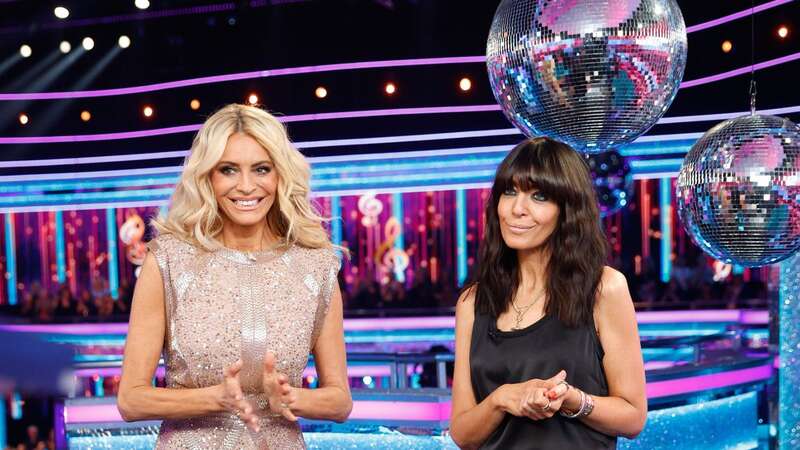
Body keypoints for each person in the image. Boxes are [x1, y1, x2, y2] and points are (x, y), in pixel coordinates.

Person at [117, 104, 352, 449]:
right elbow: (131, 400)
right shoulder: (168, 261)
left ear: (280, 176)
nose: (246, 186)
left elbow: (340, 401)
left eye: (261, 169)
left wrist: (289, 398)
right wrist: (214, 398)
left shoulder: (316, 266)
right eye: (228, 170)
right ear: (208, 177)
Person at [449, 138, 647, 449]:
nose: (517, 209)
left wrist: (572, 400)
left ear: (566, 210)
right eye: (509, 192)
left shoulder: (604, 288)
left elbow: (633, 418)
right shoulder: (472, 302)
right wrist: (501, 399)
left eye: (539, 196)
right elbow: (462, 433)